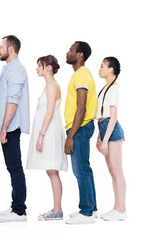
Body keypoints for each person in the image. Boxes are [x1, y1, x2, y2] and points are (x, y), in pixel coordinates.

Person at [26, 55, 68, 221]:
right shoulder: (50, 86)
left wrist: (41, 135)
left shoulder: (52, 86)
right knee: (51, 171)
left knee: (52, 171)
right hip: (49, 131)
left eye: (39, 65)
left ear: (48, 68)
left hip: (50, 133)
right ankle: (56, 209)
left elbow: (49, 112)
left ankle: (57, 210)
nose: (36, 68)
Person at [0, 35, 30, 222]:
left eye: (1, 46)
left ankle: (19, 211)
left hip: (10, 128)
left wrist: (4, 129)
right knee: (12, 167)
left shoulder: (16, 70)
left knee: (15, 167)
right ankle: (15, 206)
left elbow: (12, 101)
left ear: (10, 49)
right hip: (6, 127)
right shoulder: (10, 69)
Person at [64, 41, 98, 224]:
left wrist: (70, 136)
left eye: (71, 50)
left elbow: (81, 108)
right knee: (85, 169)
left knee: (81, 170)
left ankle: (86, 213)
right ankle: (91, 208)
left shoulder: (82, 75)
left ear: (80, 55)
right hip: (80, 128)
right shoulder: (80, 74)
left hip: (79, 128)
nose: (67, 52)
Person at [96, 57, 127, 221]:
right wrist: (99, 138)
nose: (99, 69)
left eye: (102, 66)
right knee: (112, 170)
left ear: (111, 69)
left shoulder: (114, 88)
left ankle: (121, 209)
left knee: (117, 170)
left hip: (112, 130)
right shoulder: (105, 88)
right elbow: (101, 116)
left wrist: (106, 139)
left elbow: (113, 117)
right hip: (104, 129)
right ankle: (116, 208)